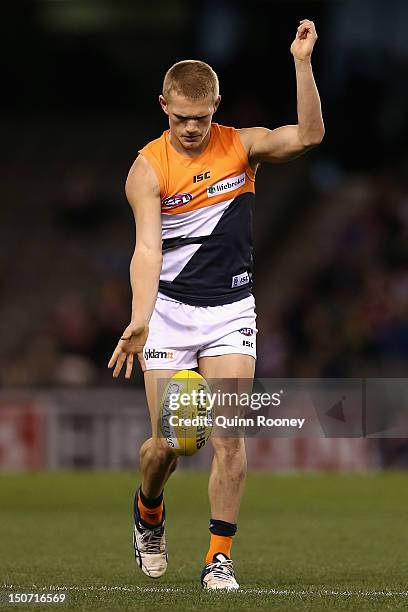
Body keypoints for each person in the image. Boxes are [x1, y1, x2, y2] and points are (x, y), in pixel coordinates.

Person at [108, 19, 324, 590]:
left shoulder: (241, 145)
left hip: (230, 313)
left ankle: (218, 557)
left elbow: (307, 137)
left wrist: (302, 65)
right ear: (164, 107)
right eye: (180, 118)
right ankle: (148, 509)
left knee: (228, 437)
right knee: (169, 444)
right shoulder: (147, 168)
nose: (190, 129)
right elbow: (148, 247)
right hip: (170, 314)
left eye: (200, 118)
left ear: (215, 108)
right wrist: (139, 317)